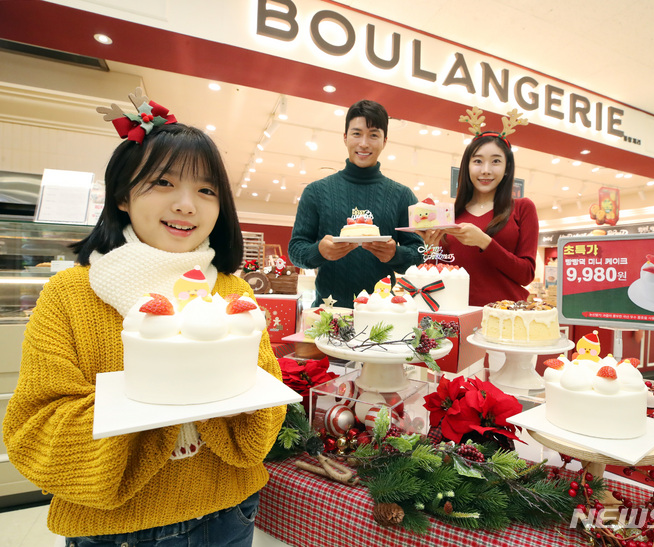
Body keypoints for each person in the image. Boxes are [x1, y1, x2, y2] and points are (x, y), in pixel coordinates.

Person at [2, 92, 285, 547]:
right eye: (163, 182)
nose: (187, 205)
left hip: (229, 513)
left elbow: (265, 412)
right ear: (122, 196)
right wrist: (163, 395)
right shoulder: (70, 295)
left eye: (207, 190)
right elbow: (35, 429)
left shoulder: (233, 293)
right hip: (115, 530)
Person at [288, 99, 424, 308]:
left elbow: (420, 253)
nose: (364, 143)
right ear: (345, 137)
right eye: (357, 133)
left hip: (382, 315)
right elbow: (296, 250)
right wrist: (319, 251)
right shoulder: (315, 192)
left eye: (373, 135)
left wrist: (396, 255)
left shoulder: (402, 196)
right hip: (327, 315)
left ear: (384, 141)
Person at [421, 113, 539, 307]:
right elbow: (435, 273)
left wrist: (485, 242)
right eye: (477, 161)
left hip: (505, 316)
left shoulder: (523, 208)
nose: (486, 170)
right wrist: (430, 248)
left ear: (507, 168)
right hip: (456, 313)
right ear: (467, 166)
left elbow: (526, 275)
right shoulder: (450, 214)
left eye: (496, 161)